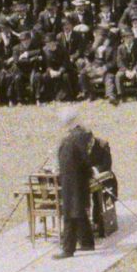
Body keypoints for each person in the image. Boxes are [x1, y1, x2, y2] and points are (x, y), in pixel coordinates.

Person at [54, 108, 97, 259]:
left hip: (74, 180)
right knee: (78, 212)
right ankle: (87, 242)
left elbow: (84, 159)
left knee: (70, 214)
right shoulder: (78, 136)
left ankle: (68, 249)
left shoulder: (76, 137)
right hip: (73, 179)